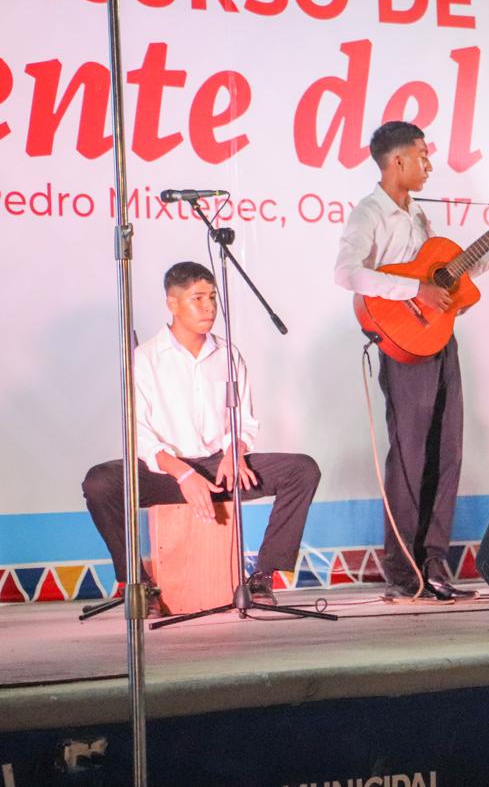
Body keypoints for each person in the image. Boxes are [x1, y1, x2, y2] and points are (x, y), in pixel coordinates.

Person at [335, 121, 489, 600]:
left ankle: (436, 563)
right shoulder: (370, 214)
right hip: (404, 345)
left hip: (440, 340)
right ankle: (404, 573)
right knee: (410, 456)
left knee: (448, 454)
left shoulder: (419, 216)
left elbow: (453, 274)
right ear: (397, 160)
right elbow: (347, 273)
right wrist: (412, 290)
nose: (429, 165)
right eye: (423, 155)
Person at [83, 261, 320, 616]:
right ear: (173, 304)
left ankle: (262, 576)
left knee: (302, 470)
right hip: (164, 473)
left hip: (218, 470)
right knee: (100, 482)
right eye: (197, 298)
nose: (209, 307)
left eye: (212, 297)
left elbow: (243, 420)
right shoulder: (145, 359)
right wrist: (182, 473)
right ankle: (137, 579)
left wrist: (235, 451)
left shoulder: (228, 354)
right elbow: (141, 435)